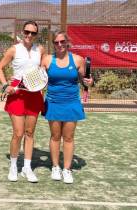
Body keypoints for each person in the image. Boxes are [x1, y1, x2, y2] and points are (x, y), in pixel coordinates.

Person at [0, 20, 45, 183]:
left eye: (33, 33)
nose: (29, 35)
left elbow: (43, 69)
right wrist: (5, 86)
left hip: (34, 93)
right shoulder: (14, 49)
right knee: (18, 133)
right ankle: (13, 166)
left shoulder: (41, 50)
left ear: (37, 35)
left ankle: (27, 168)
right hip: (17, 94)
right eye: (27, 32)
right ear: (23, 32)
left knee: (30, 133)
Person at [41, 31, 92, 184]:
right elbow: (39, 80)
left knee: (68, 138)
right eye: (56, 42)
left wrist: (89, 82)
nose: (59, 45)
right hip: (53, 102)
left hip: (71, 103)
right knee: (55, 136)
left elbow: (85, 79)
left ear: (67, 42)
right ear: (53, 44)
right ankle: (56, 167)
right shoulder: (47, 60)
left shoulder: (77, 60)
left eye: (62, 41)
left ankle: (67, 169)